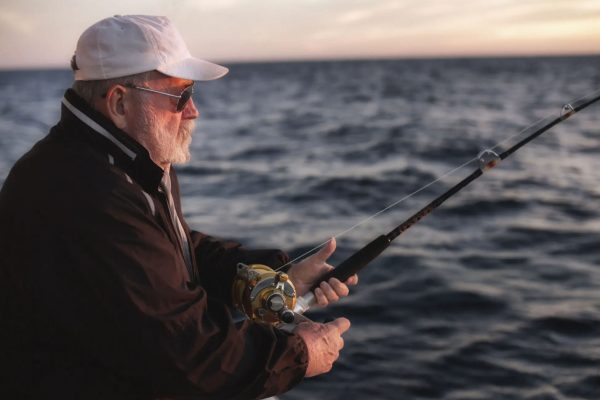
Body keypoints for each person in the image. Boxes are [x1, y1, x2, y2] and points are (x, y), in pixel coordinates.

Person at [0, 15, 358, 399]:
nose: (193, 111)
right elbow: (190, 354)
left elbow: (166, 253)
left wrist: (278, 276)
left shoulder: (122, 162)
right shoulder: (88, 192)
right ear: (119, 102)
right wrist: (301, 354)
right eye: (180, 96)